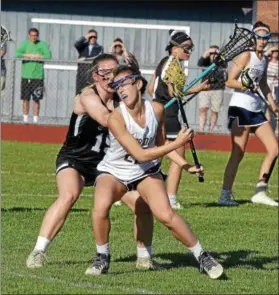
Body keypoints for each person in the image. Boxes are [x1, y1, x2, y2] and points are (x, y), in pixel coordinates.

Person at [85, 65, 224, 280]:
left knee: (165, 214)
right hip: (115, 171)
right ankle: (102, 256)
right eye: (116, 86)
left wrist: (186, 165)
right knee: (100, 207)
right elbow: (140, 154)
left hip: (145, 171)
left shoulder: (157, 109)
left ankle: (202, 256)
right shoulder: (116, 118)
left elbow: (161, 143)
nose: (120, 89)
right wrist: (177, 143)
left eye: (124, 83)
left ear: (139, 84)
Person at [26, 54, 155, 270]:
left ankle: (144, 258)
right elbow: (107, 119)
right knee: (69, 194)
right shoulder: (87, 97)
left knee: (142, 204)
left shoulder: (121, 98)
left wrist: (136, 84)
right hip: (76, 158)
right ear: (95, 76)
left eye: (115, 72)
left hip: (106, 165)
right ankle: (38, 251)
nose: (111, 77)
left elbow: (142, 108)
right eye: (105, 73)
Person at [217, 21, 279, 207]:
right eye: (259, 37)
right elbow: (230, 81)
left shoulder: (265, 59)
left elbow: (263, 84)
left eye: (265, 37)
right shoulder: (246, 55)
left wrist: (273, 104)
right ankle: (224, 195)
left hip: (256, 109)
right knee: (238, 152)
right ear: (254, 38)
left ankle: (260, 190)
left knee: (274, 149)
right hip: (240, 108)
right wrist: (246, 85)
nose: (261, 41)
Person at [148, 30, 209, 209]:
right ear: (174, 49)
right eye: (186, 48)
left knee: (157, 155)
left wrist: (197, 88)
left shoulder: (164, 63)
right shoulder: (172, 64)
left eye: (191, 49)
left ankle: (133, 190)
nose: (189, 52)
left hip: (161, 109)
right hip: (167, 113)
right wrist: (173, 93)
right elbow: (172, 92)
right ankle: (171, 198)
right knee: (177, 153)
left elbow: (152, 87)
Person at [15, 28, 52, 123]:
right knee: (25, 99)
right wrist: (27, 55)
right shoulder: (25, 44)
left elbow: (48, 55)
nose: (33, 37)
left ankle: (35, 120)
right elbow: (17, 54)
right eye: (32, 35)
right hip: (26, 76)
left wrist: (38, 56)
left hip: (38, 77)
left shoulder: (42, 44)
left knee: (36, 99)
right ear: (29, 35)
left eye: (35, 35)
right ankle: (25, 119)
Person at [197, 45, 227, 132]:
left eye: (215, 53)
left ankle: (212, 128)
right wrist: (207, 52)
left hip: (217, 88)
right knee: (203, 108)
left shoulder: (221, 61)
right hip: (205, 88)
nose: (213, 55)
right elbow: (199, 63)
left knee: (215, 110)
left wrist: (219, 54)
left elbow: (225, 63)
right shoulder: (205, 61)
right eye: (211, 53)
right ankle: (201, 128)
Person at [74, 29, 104, 95]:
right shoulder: (83, 46)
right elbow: (76, 44)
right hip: (82, 74)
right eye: (91, 37)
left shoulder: (99, 48)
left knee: (91, 93)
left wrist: (85, 59)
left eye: (95, 37)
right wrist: (85, 37)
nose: (93, 38)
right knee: (79, 94)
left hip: (92, 75)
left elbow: (97, 58)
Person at [265, 45, 279, 131]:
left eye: (277, 51)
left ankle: (273, 128)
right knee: (265, 107)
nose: (275, 53)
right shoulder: (266, 61)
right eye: (274, 51)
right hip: (266, 86)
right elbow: (263, 57)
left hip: (276, 87)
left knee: (274, 108)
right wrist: (271, 49)